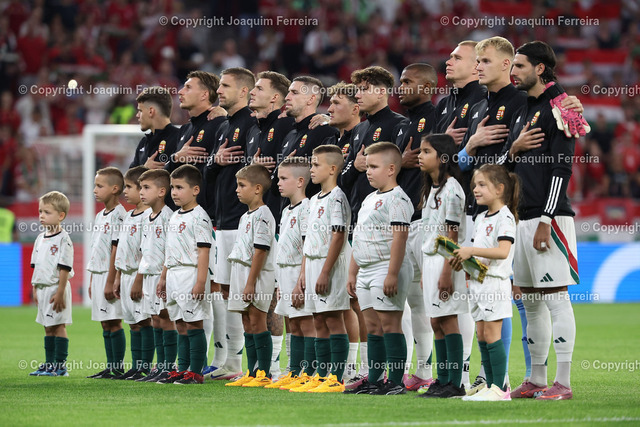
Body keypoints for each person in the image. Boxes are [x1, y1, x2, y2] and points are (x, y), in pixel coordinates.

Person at [498, 41, 578, 401]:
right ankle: (537, 379)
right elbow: (508, 166)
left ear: (540, 68)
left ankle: (563, 382)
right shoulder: (523, 108)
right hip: (522, 218)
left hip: (550, 217)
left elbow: (563, 168)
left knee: (556, 299)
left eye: (519, 66)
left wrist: (547, 218)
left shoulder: (561, 106)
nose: (513, 72)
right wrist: (512, 150)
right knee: (530, 302)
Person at [344, 142, 413, 395]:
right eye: (367, 166)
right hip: (365, 269)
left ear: (391, 169)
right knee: (373, 327)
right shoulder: (369, 198)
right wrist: (352, 271)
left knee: (390, 325)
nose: (368, 171)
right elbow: (359, 236)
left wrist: (392, 273)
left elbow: (400, 239)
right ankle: (374, 378)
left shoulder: (398, 199)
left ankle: (395, 381)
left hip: (385, 267)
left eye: (373, 166)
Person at [203, 67, 258, 381]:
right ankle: (232, 363)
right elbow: (210, 171)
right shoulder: (225, 126)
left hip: (242, 221)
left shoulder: (252, 122)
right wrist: (215, 161)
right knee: (224, 291)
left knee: (244, 294)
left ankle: (261, 366)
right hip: (222, 223)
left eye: (225, 85)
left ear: (244, 91)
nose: (219, 90)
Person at [451, 164, 519, 401]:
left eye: (482, 185)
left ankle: (500, 389)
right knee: (481, 335)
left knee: (492, 334)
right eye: (474, 185)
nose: (475, 190)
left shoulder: (505, 217)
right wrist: (465, 263)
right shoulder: (480, 217)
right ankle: (490, 386)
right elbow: (481, 253)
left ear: (499, 189)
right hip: (478, 283)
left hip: (495, 284)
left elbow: (502, 251)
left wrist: (470, 251)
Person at [290, 145, 350, 393]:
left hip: (330, 265)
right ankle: (321, 375)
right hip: (313, 263)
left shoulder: (338, 197)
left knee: (333, 318)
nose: (312, 169)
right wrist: (304, 273)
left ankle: (336, 377)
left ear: (333, 169)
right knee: (318, 319)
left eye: (316, 165)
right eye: (311, 164)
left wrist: (325, 271)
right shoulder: (314, 200)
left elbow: (338, 236)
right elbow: (308, 241)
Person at [395, 63, 438, 391]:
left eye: (407, 82)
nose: (401, 87)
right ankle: (421, 370)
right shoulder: (404, 124)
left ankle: (455, 373)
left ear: (426, 86)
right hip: (403, 222)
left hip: (425, 219)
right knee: (413, 301)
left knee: (434, 300)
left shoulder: (435, 118)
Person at [417, 134, 468, 399]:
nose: (420, 156)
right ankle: (443, 378)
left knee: (448, 320)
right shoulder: (432, 189)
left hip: (446, 261)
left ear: (443, 157)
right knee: (436, 321)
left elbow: (452, 235)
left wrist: (447, 272)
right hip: (431, 260)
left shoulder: (452, 189)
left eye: (426, 151)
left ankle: (456, 383)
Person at [157, 165, 213, 384]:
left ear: (195, 190)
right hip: (173, 274)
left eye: (179, 187)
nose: (174, 192)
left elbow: (204, 251)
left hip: (190, 274)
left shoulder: (200, 217)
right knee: (179, 323)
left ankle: (196, 372)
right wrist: (163, 277)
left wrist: (201, 281)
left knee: (193, 323)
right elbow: (169, 250)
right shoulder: (174, 216)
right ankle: (182, 369)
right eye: (172, 187)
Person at [224, 164, 278, 387]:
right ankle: (252, 372)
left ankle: (264, 373)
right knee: (247, 322)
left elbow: (260, 251)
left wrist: (250, 283)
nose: (237, 190)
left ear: (257, 188)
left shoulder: (263, 214)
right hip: (242, 272)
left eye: (241, 185)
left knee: (257, 320)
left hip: (256, 275)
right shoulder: (246, 216)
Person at [266, 157, 315, 389]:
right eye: (278, 178)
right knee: (293, 324)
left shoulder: (307, 208)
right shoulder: (286, 210)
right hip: (285, 273)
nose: (278, 183)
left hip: (297, 272)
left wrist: (302, 279)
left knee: (306, 323)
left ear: (300, 181)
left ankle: (310, 371)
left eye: (284, 178)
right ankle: (295, 371)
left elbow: (307, 246)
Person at [341, 66, 408, 227]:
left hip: (385, 216)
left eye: (363, 89)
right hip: (357, 216)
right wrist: (355, 166)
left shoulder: (400, 124)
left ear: (381, 92)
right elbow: (342, 179)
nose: (357, 95)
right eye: (357, 90)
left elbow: (402, 171)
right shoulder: (358, 128)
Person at [135, 169, 179, 383]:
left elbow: (170, 250)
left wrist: (164, 276)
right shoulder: (146, 217)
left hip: (163, 275)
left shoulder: (168, 217)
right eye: (140, 188)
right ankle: (160, 366)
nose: (141, 192)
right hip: (149, 275)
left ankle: (169, 367)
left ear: (162, 191)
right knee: (155, 319)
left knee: (165, 317)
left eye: (146, 188)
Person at [112, 166, 153, 380]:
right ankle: (136, 366)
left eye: (129, 187)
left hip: (140, 277)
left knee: (144, 321)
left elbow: (147, 252)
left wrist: (139, 279)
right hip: (126, 275)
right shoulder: (128, 215)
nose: (125, 191)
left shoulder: (148, 217)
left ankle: (146, 366)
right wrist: (118, 277)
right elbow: (123, 249)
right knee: (133, 322)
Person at [86, 167, 127, 379]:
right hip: (99, 273)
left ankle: (118, 367)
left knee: (114, 320)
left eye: (99, 186)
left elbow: (116, 249)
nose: (95, 190)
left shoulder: (119, 215)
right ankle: (110, 366)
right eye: (95, 185)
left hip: (110, 275)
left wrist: (111, 280)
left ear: (115, 188)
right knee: (104, 321)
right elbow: (97, 249)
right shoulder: (99, 215)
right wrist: (92, 279)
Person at [29, 191, 73, 377]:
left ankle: (60, 366)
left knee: (58, 326)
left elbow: (64, 268)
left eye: (47, 212)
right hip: (42, 288)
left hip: (56, 288)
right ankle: (49, 364)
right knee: (47, 327)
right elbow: (36, 265)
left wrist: (60, 292)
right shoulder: (40, 238)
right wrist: (35, 288)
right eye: (40, 211)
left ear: (60, 216)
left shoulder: (63, 239)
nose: (41, 215)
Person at [130, 86, 180, 171]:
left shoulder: (180, 139)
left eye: (140, 111)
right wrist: (145, 169)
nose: (137, 115)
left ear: (151, 111)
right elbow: (130, 178)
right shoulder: (143, 143)